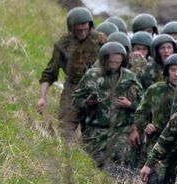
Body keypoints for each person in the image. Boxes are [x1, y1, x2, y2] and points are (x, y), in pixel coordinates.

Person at [72, 42, 143, 171]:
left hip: (121, 130)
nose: (115, 66)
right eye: (111, 62)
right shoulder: (91, 76)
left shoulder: (130, 78)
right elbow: (75, 100)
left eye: (118, 62)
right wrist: (87, 103)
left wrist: (130, 105)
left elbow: (144, 107)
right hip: (95, 130)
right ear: (104, 60)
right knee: (93, 165)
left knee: (122, 158)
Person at [37, 7, 106, 140]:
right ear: (71, 28)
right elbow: (50, 73)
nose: (83, 33)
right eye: (79, 30)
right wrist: (42, 97)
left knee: (97, 130)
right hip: (73, 88)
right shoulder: (62, 45)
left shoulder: (100, 40)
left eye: (86, 29)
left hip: (98, 86)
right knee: (65, 128)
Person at [132, 54, 177, 184]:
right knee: (155, 178)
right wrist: (145, 125)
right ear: (167, 72)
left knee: (176, 181)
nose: (176, 74)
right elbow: (140, 112)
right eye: (173, 70)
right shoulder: (155, 90)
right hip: (158, 140)